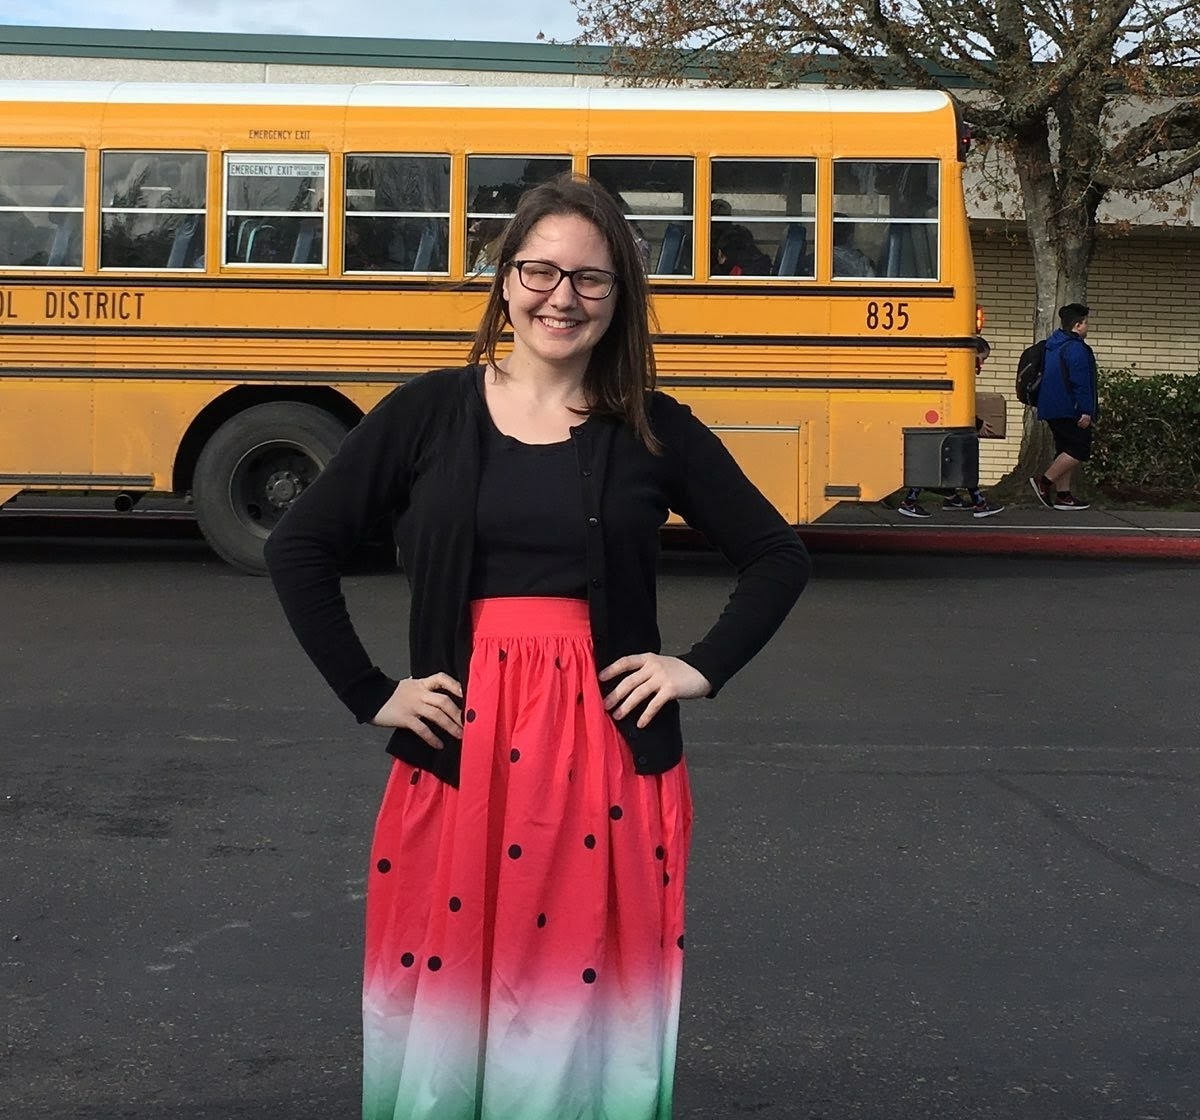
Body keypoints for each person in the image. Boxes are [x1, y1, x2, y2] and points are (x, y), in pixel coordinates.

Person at [264, 172, 810, 1120]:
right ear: (505, 279)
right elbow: (298, 544)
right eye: (541, 270)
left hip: (604, 754)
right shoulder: (427, 413)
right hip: (461, 750)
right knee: (449, 988)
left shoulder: (653, 428)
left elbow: (776, 555)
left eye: (592, 279)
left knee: (578, 997)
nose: (563, 296)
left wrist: (699, 667)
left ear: (620, 297)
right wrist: (369, 689)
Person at [897, 336, 1006, 519]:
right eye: (982, 358)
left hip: (935, 419)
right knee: (963, 458)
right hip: (945, 421)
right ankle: (978, 503)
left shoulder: (950, 368)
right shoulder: (960, 372)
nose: (982, 365)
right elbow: (959, 402)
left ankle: (951, 497)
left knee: (941, 460)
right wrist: (978, 423)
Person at [1029, 303, 1097, 511]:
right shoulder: (1076, 348)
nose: (1087, 327)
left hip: (1051, 406)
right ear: (1077, 325)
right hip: (1070, 407)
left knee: (1065, 449)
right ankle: (1045, 482)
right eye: (1086, 323)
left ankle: (1064, 495)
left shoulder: (1052, 344)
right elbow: (1081, 381)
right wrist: (1086, 410)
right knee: (1079, 448)